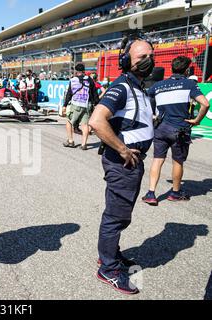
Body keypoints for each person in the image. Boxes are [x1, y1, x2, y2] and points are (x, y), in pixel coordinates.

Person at [89, 38, 156, 295]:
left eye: (150, 55)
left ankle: (109, 254)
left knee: (120, 215)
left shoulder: (139, 87)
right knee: (116, 216)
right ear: (127, 61)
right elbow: (97, 120)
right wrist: (122, 149)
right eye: (141, 57)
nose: (148, 60)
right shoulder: (122, 87)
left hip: (132, 162)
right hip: (123, 162)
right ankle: (107, 268)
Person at [142, 56, 210, 205]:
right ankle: (175, 192)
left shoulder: (158, 85)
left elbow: (145, 102)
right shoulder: (189, 84)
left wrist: (153, 115)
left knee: (157, 160)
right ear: (186, 70)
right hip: (180, 129)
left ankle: (151, 193)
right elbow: (205, 104)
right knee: (177, 162)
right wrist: (197, 120)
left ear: (172, 68)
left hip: (160, 127)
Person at [63, 63, 99, 150]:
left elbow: (69, 94)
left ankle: (70, 141)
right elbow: (94, 93)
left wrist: (64, 105)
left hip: (76, 104)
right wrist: (96, 104)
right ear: (84, 71)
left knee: (69, 121)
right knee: (85, 124)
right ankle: (84, 144)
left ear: (76, 71)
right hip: (87, 105)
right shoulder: (89, 79)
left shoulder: (73, 80)